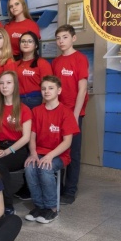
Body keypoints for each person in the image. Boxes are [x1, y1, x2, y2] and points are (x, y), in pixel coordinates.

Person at [24, 75, 79, 224]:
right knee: (30, 167)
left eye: (50, 88)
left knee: (45, 167)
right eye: (43, 88)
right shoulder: (36, 111)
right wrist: (33, 153)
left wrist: (49, 156)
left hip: (59, 155)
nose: (46, 91)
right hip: (39, 151)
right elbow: (32, 136)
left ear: (59, 90)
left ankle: (52, 208)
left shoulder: (66, 112)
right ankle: (39, 206)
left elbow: (67, 142)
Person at [52, 24, 89, 205]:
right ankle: (57, 188)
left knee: (73, 153)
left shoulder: (80, 59)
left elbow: (82, 89)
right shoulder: (56, 62)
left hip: (74, 113)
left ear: (73, 38)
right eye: (58, 38)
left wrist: (74, 116)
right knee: (58, 150)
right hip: (58, 113)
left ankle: (71, 190)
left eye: (65, 37)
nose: (61, 41)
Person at [0, 71, 32, 215]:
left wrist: (7, 152)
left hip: (17, 149)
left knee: (0, 164)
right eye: (1, 83)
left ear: (15, 86)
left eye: (8, 83)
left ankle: (7, 205)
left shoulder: (24, 109)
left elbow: (26, 137)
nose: (4, 86)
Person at [16, 31, 52, 109]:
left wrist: (44, 107)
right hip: (18, 101)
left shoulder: (43, 63)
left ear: (36, 45)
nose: (26, 44)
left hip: (36, 100)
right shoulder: (15, 64)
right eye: (23, 41)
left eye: (30, 41)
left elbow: (48, 86)